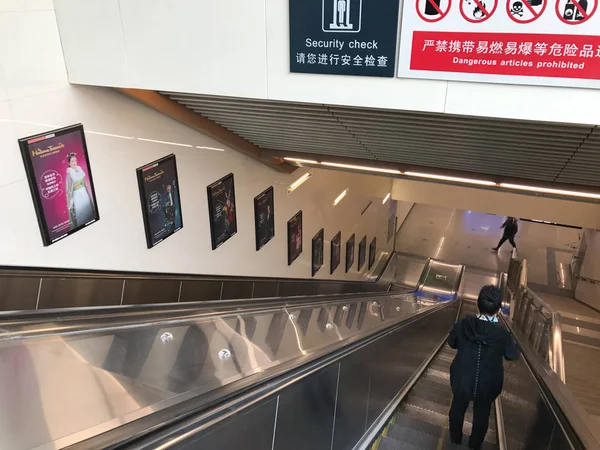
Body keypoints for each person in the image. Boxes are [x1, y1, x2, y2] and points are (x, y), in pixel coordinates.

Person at [448, 285, 520, 449]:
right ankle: (474, 445)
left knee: (457, 407)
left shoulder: (463, 324)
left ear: (477, 304)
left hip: (462, 378)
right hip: (488, 384)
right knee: (482, 415)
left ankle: (455, 439)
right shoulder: (503, 334)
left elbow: (452, 343)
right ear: (498, 309)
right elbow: (512, 355)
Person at [66, 152, 95, 228]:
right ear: (69, 162)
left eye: (75, 160)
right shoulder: (69, 173)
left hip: (84, 193)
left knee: (88, 210)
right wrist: (70, 203)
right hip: (77, 195)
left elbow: (85, 183)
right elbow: (69, 191)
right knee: (80, 213)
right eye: (72, 161)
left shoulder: (80, 170)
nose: (74, 162)